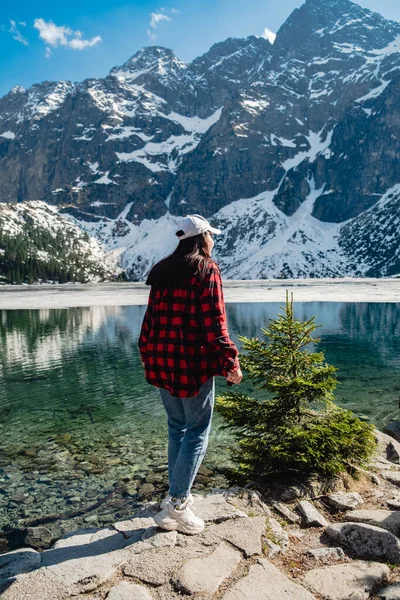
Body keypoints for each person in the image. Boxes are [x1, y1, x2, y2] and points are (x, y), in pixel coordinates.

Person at [138, 214, 242, 534]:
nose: (213, 240)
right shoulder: (206, 269)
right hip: (192, 364)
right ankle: (178, 503)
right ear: (201, 238)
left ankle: (175, 496)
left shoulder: (163, 270)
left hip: (161, 360)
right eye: (211, 235)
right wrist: (231, 363)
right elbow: (215, 325)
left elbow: (150, 321)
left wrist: (146, 355)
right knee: (197, 429)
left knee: (176, 427)